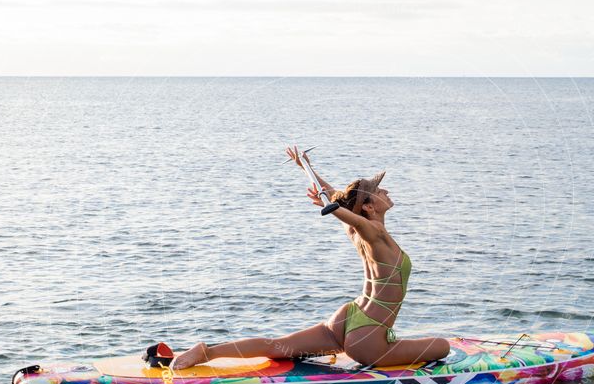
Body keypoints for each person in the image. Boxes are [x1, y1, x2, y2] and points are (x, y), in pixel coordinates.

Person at [171, 146, 450, 370]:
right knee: (443, 346)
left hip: (349, 317)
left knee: (276, 346)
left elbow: (338, 200)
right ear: (368, 206)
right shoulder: (372, 231)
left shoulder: (355, 229)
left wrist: (308, 170)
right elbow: (340, 207)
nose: (385, 192)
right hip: (368, 335)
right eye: (378, 192)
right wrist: (331, 206)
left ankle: (206, 352)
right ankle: (390, 347)